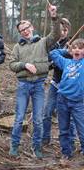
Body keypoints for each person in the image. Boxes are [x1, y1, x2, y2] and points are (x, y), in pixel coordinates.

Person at [9, 4, 60, 158]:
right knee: (19, 118)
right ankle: (14, 146)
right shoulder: (17, 47)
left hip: (39, 85)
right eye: (22, 29)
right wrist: (25, 65)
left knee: (38, 119)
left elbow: (56, 34)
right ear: (20, 32)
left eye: (27, 27)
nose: (25, 30)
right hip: (23, 85)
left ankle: (37, 147)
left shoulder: (43, 42)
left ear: (32, 27)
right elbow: (12, 65)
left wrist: (53, 16)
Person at [42, 18, 76, 146]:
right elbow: (49, 63)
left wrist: (69, 51)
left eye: (65, 30)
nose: (63, 33)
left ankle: (70, 142)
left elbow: (77, 60)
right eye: (61, 30)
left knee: (69, 116)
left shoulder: (74, 43)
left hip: (69, 85)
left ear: (68, 30)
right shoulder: (52, 44)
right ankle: (45, 138)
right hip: (55, 82)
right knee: (47, 112)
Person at [50, 38, 84, 160]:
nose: (77, 50)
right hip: (62, 100)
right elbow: (53, 53)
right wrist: (66, 51)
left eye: (80, 48)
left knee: (82, 129)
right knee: (63, 129)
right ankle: (66, 152)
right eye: (74, 47)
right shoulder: (66, 62)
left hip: (78, 102)